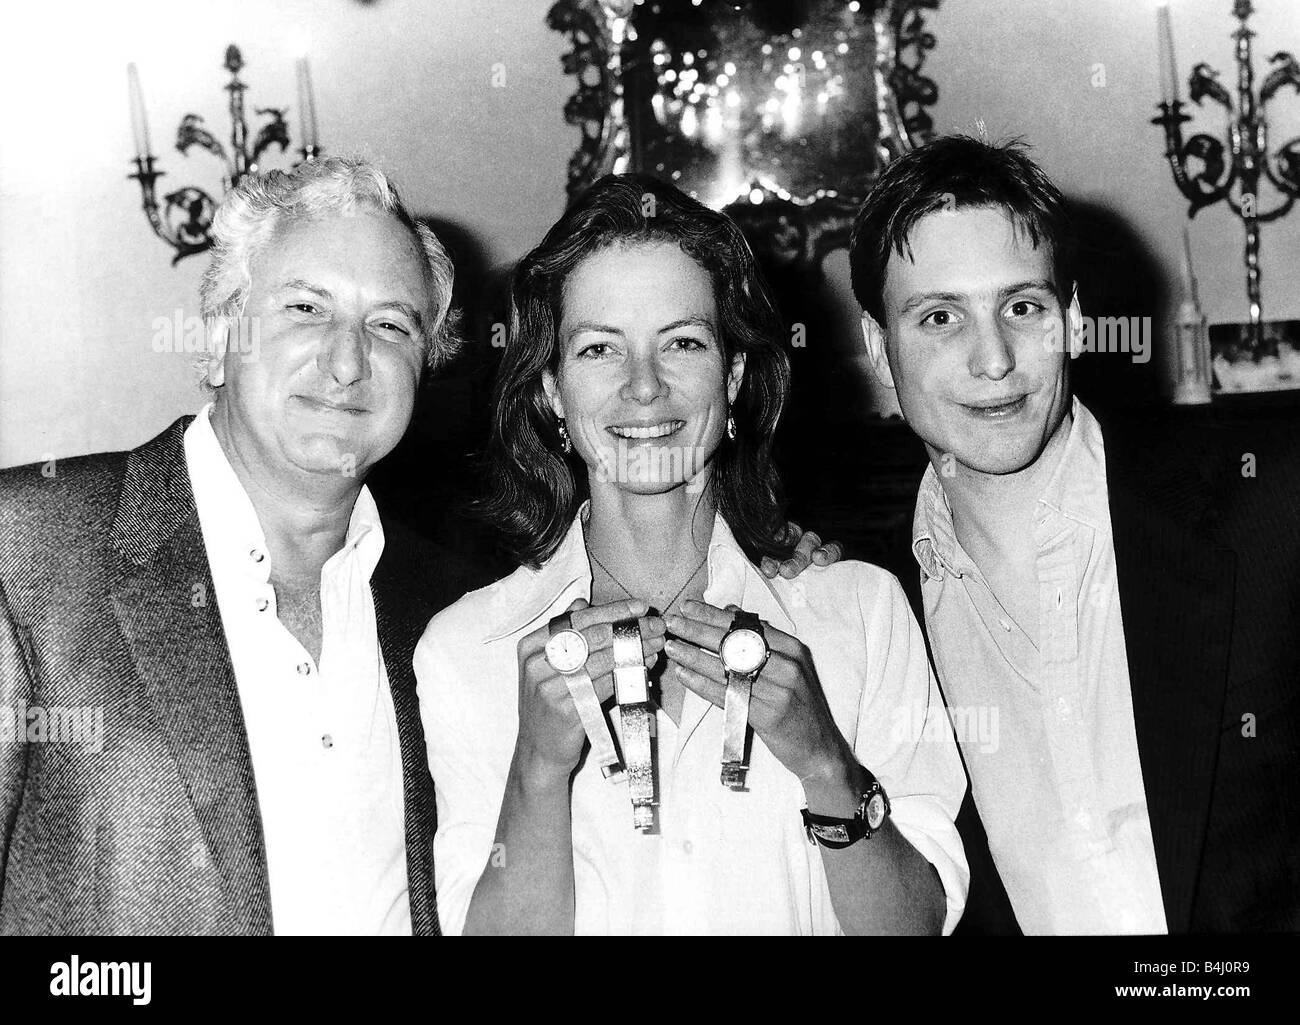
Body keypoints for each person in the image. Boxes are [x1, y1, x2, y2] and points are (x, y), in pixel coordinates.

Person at [416, 173, 968, 936]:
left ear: (734, 375)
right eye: (600, 348)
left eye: (682, 342)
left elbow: (915, 926)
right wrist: (538, 772)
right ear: (551, 390)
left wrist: (824, 763)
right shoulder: (465, 649)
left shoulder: (861, 612)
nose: (645, 387)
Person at [0, 156, 479, 934]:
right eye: (304, 307)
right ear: (220, 335)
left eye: (391, 323)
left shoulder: (453, 610)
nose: (349, 361)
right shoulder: (24, 553)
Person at [850, 134, 1300, 934]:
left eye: (1022, 307)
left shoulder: (1266, 506)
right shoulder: (864, 618)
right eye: (941, 317)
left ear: (1077, 322)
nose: (993, 359)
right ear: (880, 349)